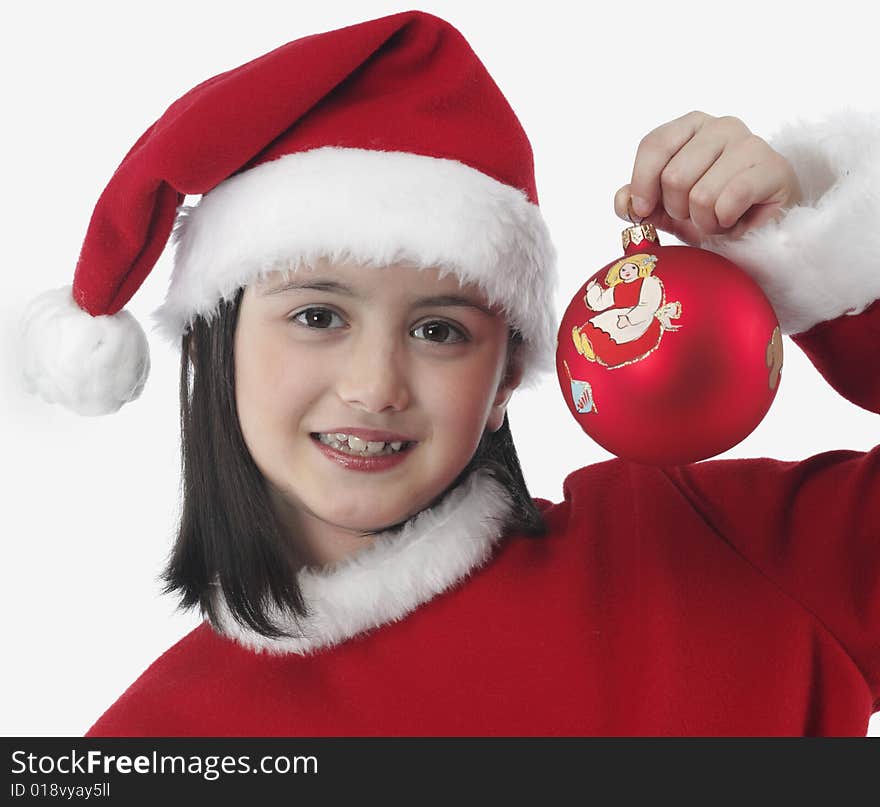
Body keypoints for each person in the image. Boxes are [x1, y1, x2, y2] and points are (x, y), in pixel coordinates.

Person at [19, 10, 879, 736]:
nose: (376, 384)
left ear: (506, 377)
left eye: (439, 329)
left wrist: (818, 252)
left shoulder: (706, 554)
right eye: (318, 316)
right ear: (210, 344)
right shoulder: (154, 743)